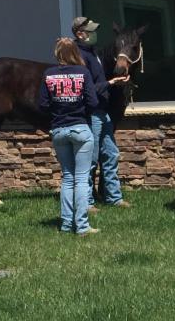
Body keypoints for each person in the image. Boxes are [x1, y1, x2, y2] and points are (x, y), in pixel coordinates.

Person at [40, 38, 101, 235]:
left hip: (59, 130)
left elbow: (43, 104)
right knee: (82, 179)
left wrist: (58, 110)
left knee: (67, 177)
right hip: (80, 129)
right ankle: (82, 226)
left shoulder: (49, 74)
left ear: (58, 53)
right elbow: (93, 102)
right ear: (75, 52)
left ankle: (66, 224)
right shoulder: (83, 73)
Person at [72, 15, 129, 209]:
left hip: (103, 112)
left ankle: (114, 197)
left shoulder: (93, 52)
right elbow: (85, 88)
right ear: (80, 34)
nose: (94, 34)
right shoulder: (79, 56)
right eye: (90, 31)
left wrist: (114, 82)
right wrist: (110, 83)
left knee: (111, 154)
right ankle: (87, 202)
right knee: (91, 158)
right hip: (91, 113)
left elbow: (98, 81)